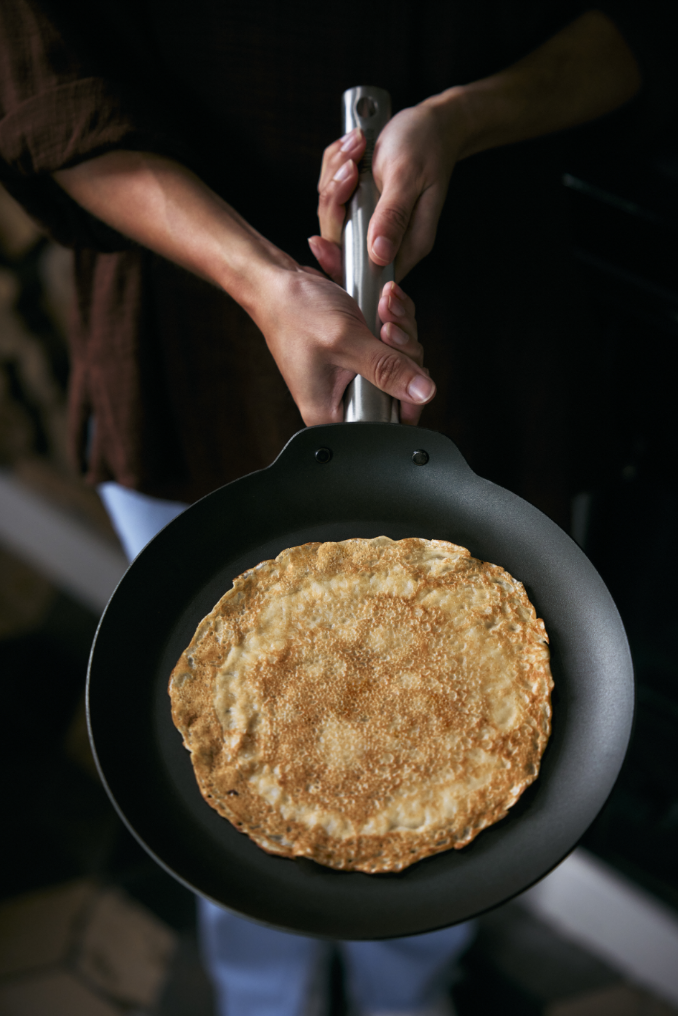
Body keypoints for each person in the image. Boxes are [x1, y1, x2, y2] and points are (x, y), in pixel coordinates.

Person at [1, 1, 666, 1013]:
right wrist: (262, 280)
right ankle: (264, 997)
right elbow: (36, 89)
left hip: (495, 314)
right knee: (239, 826)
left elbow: (644, 26)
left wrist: (463, 118)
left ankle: (409, 992)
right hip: (190, 330)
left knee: (444, 880)